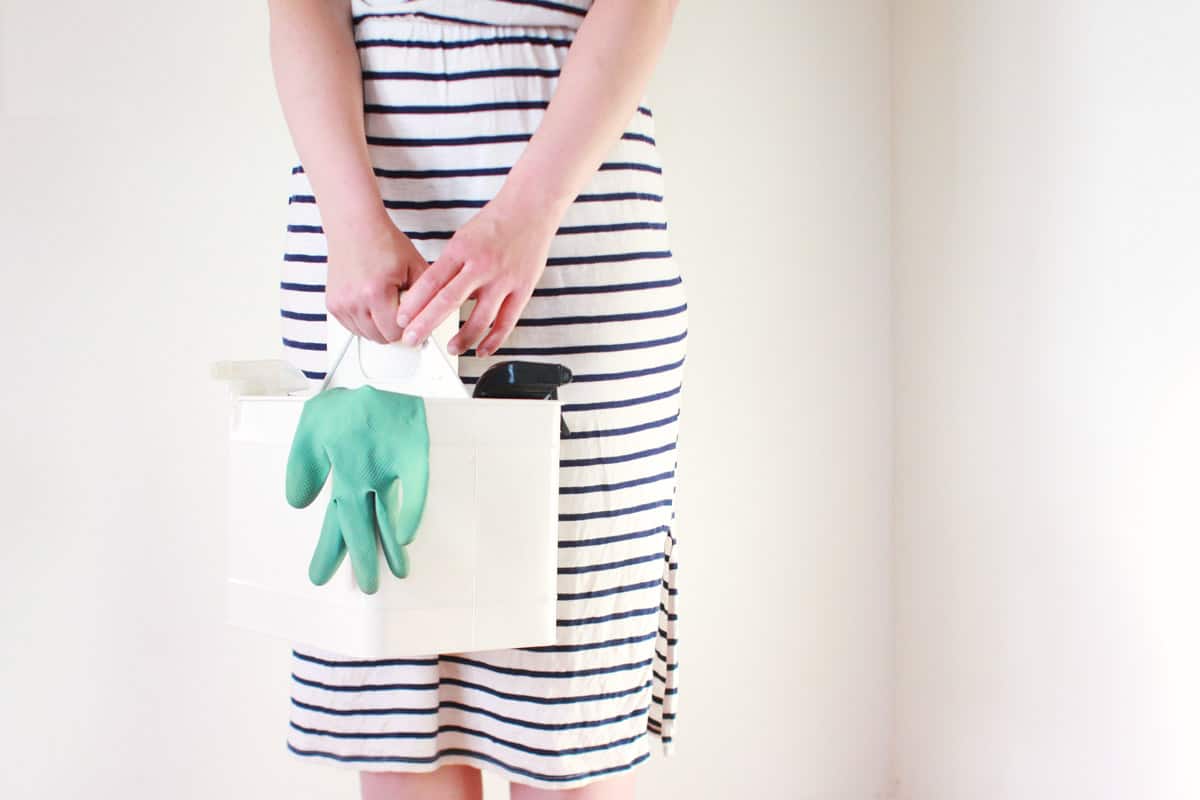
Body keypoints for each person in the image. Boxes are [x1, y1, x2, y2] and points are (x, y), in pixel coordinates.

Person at [265, 0, 687, 797]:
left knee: (568, 711)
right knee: (394, 688)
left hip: (574, 215)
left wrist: (531, 211)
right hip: (359, 224)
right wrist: (350, 220)